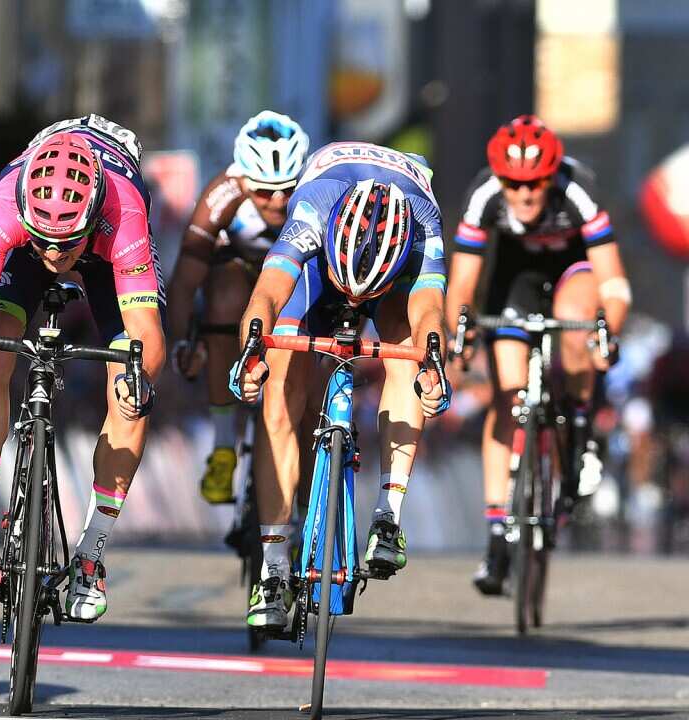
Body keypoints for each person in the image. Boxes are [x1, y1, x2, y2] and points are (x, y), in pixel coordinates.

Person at [0, 114, 165, 622]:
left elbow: (145, 327)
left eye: (65, 244)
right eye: (44, 241)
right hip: (39, 235)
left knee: (130, 381)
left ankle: (92, 554)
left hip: (107, 256)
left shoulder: (123, 209)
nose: (55, 253)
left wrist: (137, 377)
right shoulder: (6, 197)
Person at [232, 141, 450, 631]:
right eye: (348, 286)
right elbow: (267, 292)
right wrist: (250, 351)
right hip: (320, 263)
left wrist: (432, 364)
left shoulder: (423, 226)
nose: (353, 299)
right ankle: (272, 570)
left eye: (362, 293)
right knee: (282, 389)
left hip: (390, 267)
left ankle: (388, 517)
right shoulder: (312, 209)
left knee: (409, 354)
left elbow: (432, 310)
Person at [446, 115, 627, 596]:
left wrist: (607, 332)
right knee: (506, 396)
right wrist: (459, 333)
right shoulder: (484, 194)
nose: (525, 195)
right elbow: (463, 282)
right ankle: (495, 535)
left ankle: (582, 426)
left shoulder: (578, 190)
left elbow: (613, 281)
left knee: (576, 320)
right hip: (515, 280)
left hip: (575, 273)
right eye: (514, 184)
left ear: (551, 176)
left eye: (535, 184)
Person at [165, 110, 309, 504]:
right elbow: (183, 282)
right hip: (238, 272)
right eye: (264, 190)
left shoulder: (316, 190)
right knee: (224, 293)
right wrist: (183, 343)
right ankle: (225, 446)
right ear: (244, 180)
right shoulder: (222, 195)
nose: (278, 201)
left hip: (294, 280)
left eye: (287, 189)